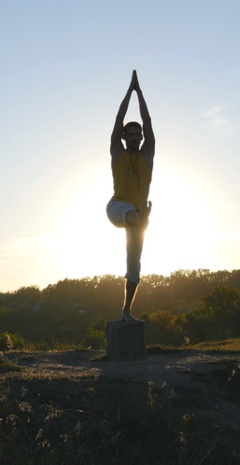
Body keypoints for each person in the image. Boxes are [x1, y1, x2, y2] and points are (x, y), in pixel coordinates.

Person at [106, 70, 155, 323]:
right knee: (135, 216)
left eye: (139, 135)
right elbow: (117, 120)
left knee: (135, 268)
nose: (135, 137)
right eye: (131, 134)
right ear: (125, 137)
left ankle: (126, 312)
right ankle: (142, 218)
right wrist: (130, 92)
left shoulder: (147, 156)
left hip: (137, 214)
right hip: (118, 208)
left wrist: (141, 93)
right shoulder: (118, 153)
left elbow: (147, 119)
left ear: (142, 138)